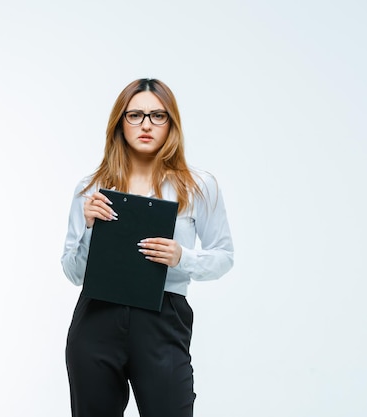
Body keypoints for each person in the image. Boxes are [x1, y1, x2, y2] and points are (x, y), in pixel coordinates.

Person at [61, 78, 234, 417]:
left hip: (163, 318)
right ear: (119, 123)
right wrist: (89, 231)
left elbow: (223, 257)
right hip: (97, 318)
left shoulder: (199, 186)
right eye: (135, 115)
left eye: (158, 116)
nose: (145, 125)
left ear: (172, 124)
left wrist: (182, 257)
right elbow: (72, 271)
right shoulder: (92, 188)